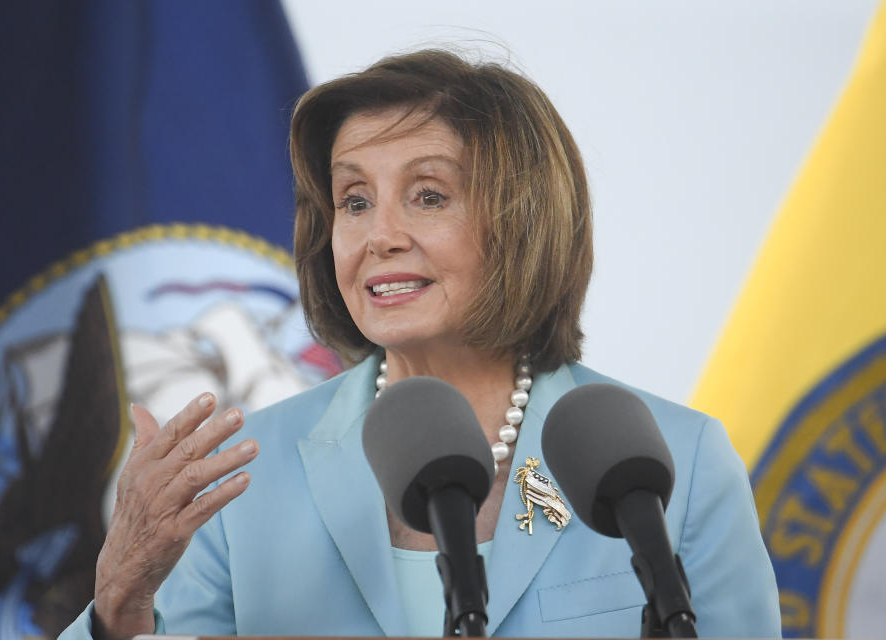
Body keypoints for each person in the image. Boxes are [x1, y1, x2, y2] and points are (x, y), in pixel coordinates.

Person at [61, 49, 781, 639]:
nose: (381, 236)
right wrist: (118, 608)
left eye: (428, 195)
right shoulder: (246, 480)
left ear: (522, 222)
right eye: (354, 201)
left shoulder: (674, 466)